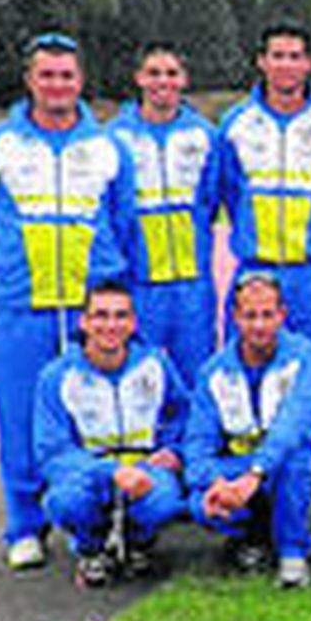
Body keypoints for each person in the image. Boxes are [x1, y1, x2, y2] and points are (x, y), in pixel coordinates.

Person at [0, 32, 137, 570]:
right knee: (18, 418)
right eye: (47, 75)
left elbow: (123, 224)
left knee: (93, 417)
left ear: (80, 81)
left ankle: (91, 523)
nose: (57, 85)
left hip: (90, 312)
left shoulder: (107, 148)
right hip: (23, 308)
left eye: (66, 75)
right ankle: (24, 526)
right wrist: (6, 270)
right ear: (30, 80)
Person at [33, 282, 188, 588]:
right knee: (64, 501)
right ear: (84, 322)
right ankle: (91, 549)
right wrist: (111, 472)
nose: (110, 325)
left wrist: (175, 451)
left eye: (120, 316)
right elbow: (52, 451)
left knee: (165, 501)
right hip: (90, 473)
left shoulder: (155, 364)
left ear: (133, 323)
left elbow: (182, 414)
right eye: (100, 316)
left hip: (146, 469)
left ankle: (138, 540)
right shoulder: (57, 376)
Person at [217, 22, 311, 352]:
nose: (286, 65)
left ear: (309, 64)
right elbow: (225, 190)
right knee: (245, 370)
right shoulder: (235, 125)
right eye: (277, 56)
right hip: (255, 269)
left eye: (295, 57)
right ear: (261, 62)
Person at [185, 273, 311, 588]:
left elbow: (294, 426)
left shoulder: (306, 358)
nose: (259, 325)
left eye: (267, 315)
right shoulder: (213, 371)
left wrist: (256, 474)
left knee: (296, 458)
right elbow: (196, 446)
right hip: (237, 468)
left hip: (277, 465)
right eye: (250, 316)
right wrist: (218, 483)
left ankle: (293, 553)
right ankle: (253, 535)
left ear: (282, 315)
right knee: (199, 504)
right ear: (235, 317)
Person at [108, 42, 220, 382]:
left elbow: (212, 199)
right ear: (139, 78)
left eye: (171, 73)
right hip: (139, 283)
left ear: (184, 80)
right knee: (140, 378)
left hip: (192, 284)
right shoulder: (114, 137)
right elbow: (110, 210)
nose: (163, 81)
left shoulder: (204, 135)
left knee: (197, 378)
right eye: (154, 73)